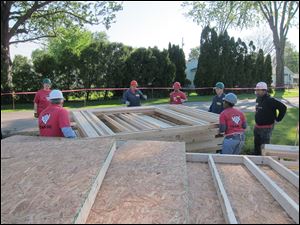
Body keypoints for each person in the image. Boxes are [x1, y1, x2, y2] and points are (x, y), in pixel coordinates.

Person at [253, 82, 287, 155]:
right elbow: (258, 109)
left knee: (265, 147)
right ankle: (256, 159)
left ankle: (264, 162)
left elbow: (283, 108)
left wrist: (278, 119)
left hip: (266, 128)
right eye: (256, 90)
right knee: (256, 146)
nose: (257, 91)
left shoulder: (270, 100)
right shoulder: (258, 99)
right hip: (257, 127)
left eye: (259, 90)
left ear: (264, 90)